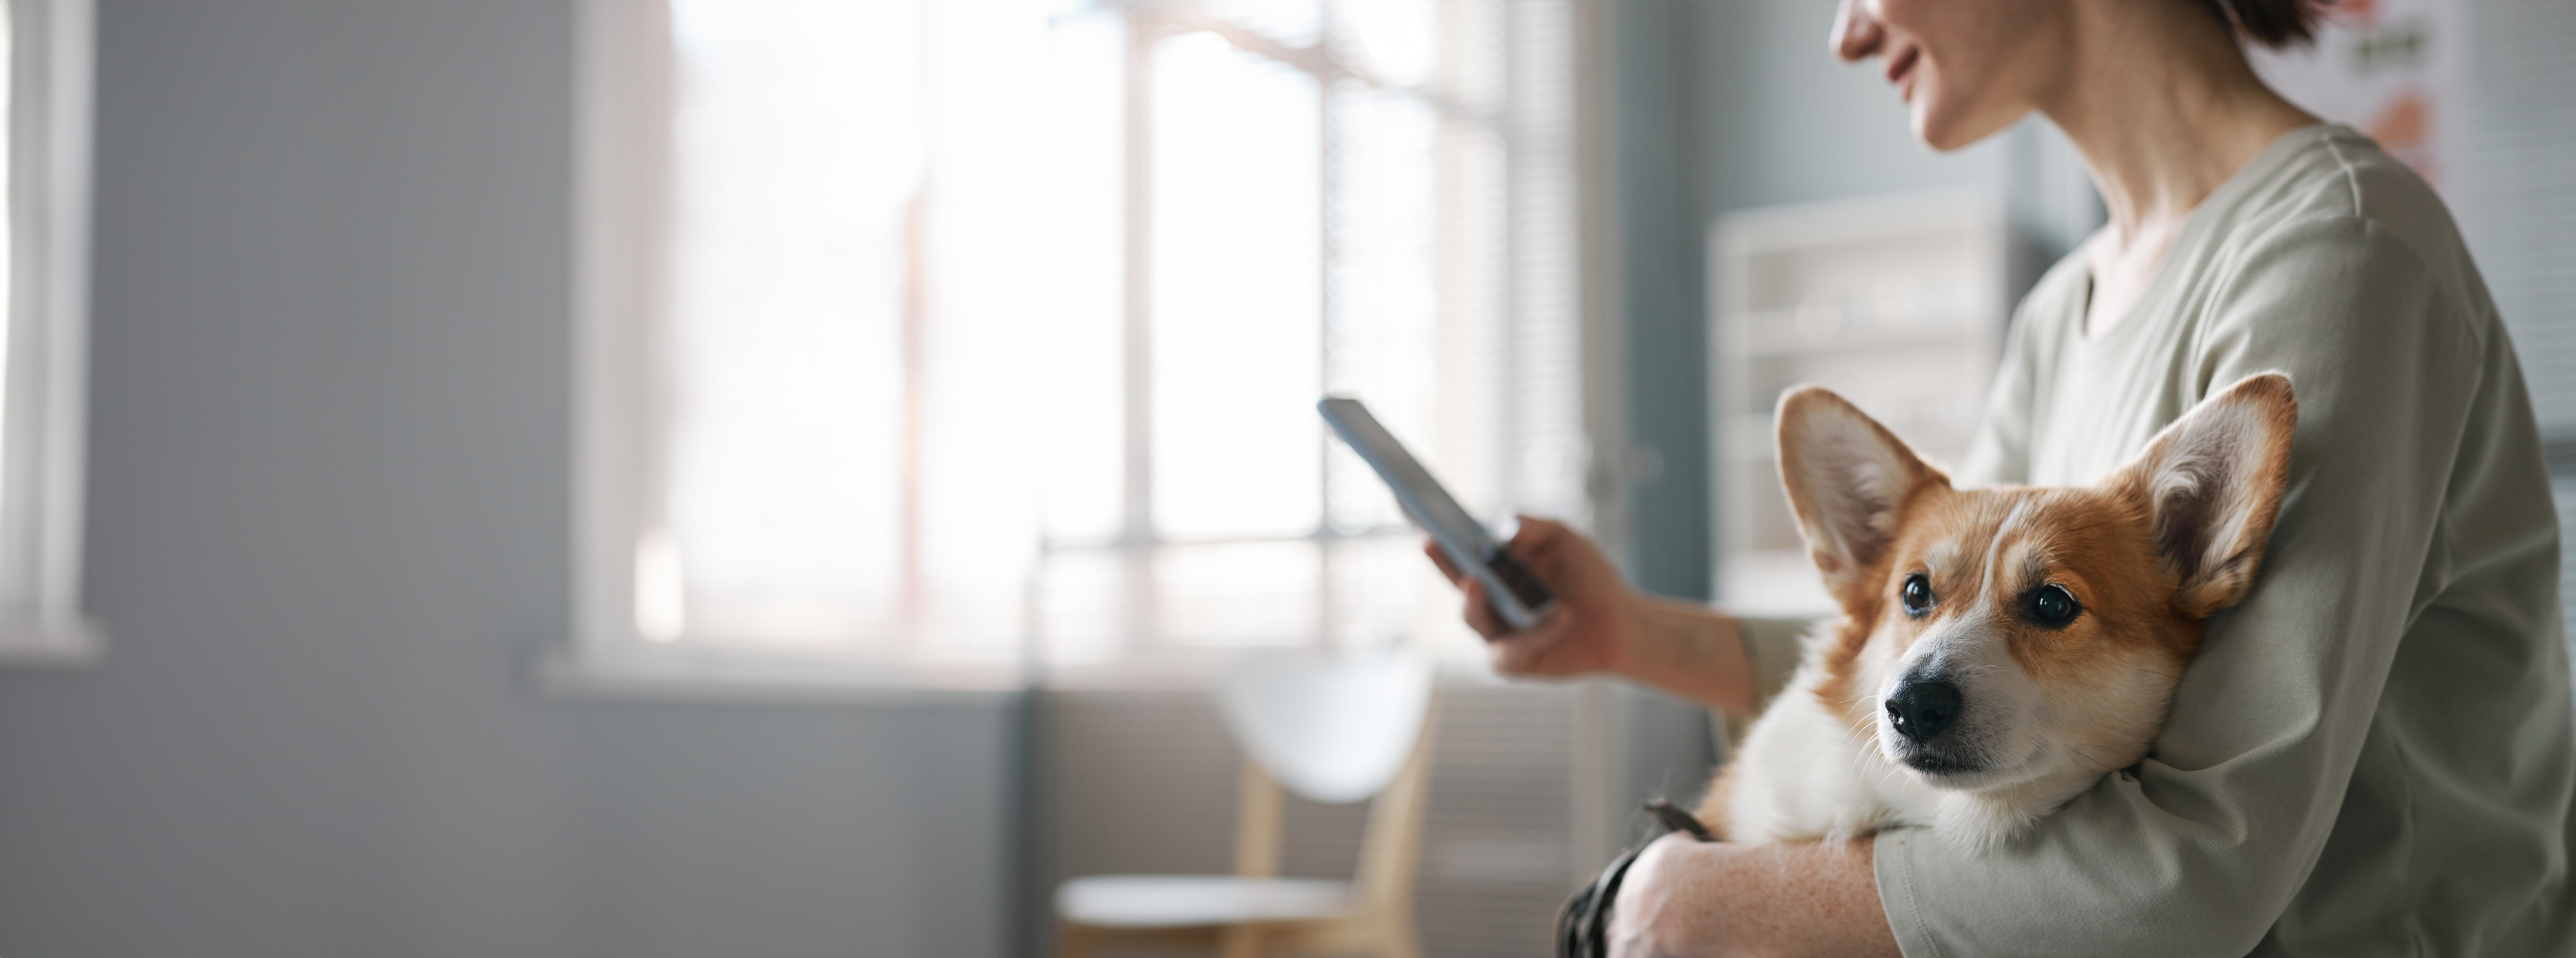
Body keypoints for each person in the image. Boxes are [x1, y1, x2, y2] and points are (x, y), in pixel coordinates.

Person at [1426, 0, 2576, 954]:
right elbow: (1927, 658)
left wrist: (1693, 903)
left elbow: (2193, 872)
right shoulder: (2063, 310)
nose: (1844, 32)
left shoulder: (2337, 254)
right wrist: (1622, 629)